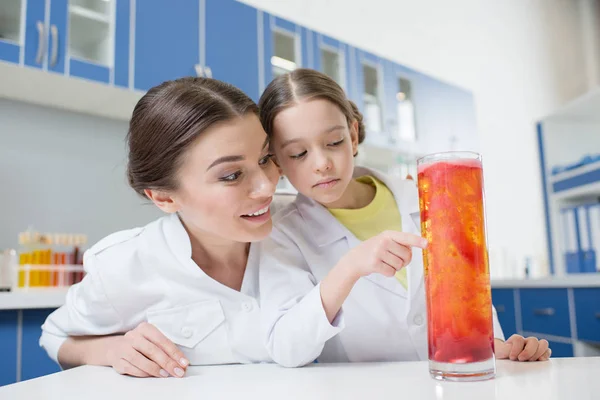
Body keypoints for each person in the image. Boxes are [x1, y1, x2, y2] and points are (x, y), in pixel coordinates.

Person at [257, 68, 551, 367]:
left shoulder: (427, 199)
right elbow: (287, 349)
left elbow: (468, 302)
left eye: (334, 142)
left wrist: (499, 349)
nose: (321, 163)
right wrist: (349, 267)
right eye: (298, 153)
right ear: (277, 161)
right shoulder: (283, 234)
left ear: (354, 136)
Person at [40, 77, 280, 378]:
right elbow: (55, 335)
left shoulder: (301, 226)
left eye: (266, 158)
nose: (266, 186)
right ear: (164, 197)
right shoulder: (125, 266)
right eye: (231, 175)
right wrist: (112, 349)